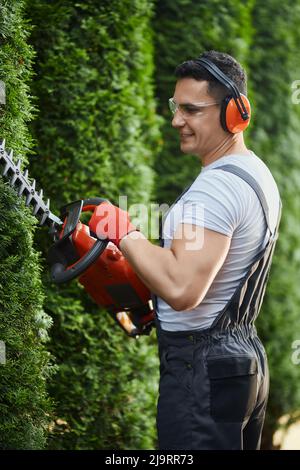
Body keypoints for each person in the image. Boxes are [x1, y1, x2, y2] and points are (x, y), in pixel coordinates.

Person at [89, 50, 282, 450]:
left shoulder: (216, 188)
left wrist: (124, 232)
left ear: (235, 114)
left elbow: (181, 288)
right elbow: (196, 274)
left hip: (202, 370)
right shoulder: (254, 171)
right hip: (239, 359)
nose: (177, 120)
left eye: (192, 110)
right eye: (176, 107)